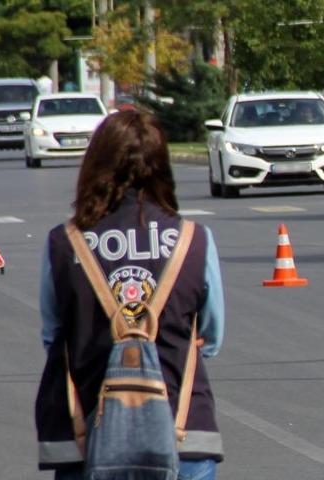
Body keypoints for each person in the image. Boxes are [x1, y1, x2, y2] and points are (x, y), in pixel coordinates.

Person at [35, 110, 226, 480]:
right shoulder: (193, 240)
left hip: (86, 436)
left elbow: (52, 335)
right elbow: (212, 337)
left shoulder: (64, 243)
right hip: (182, 432)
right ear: (161, 166)